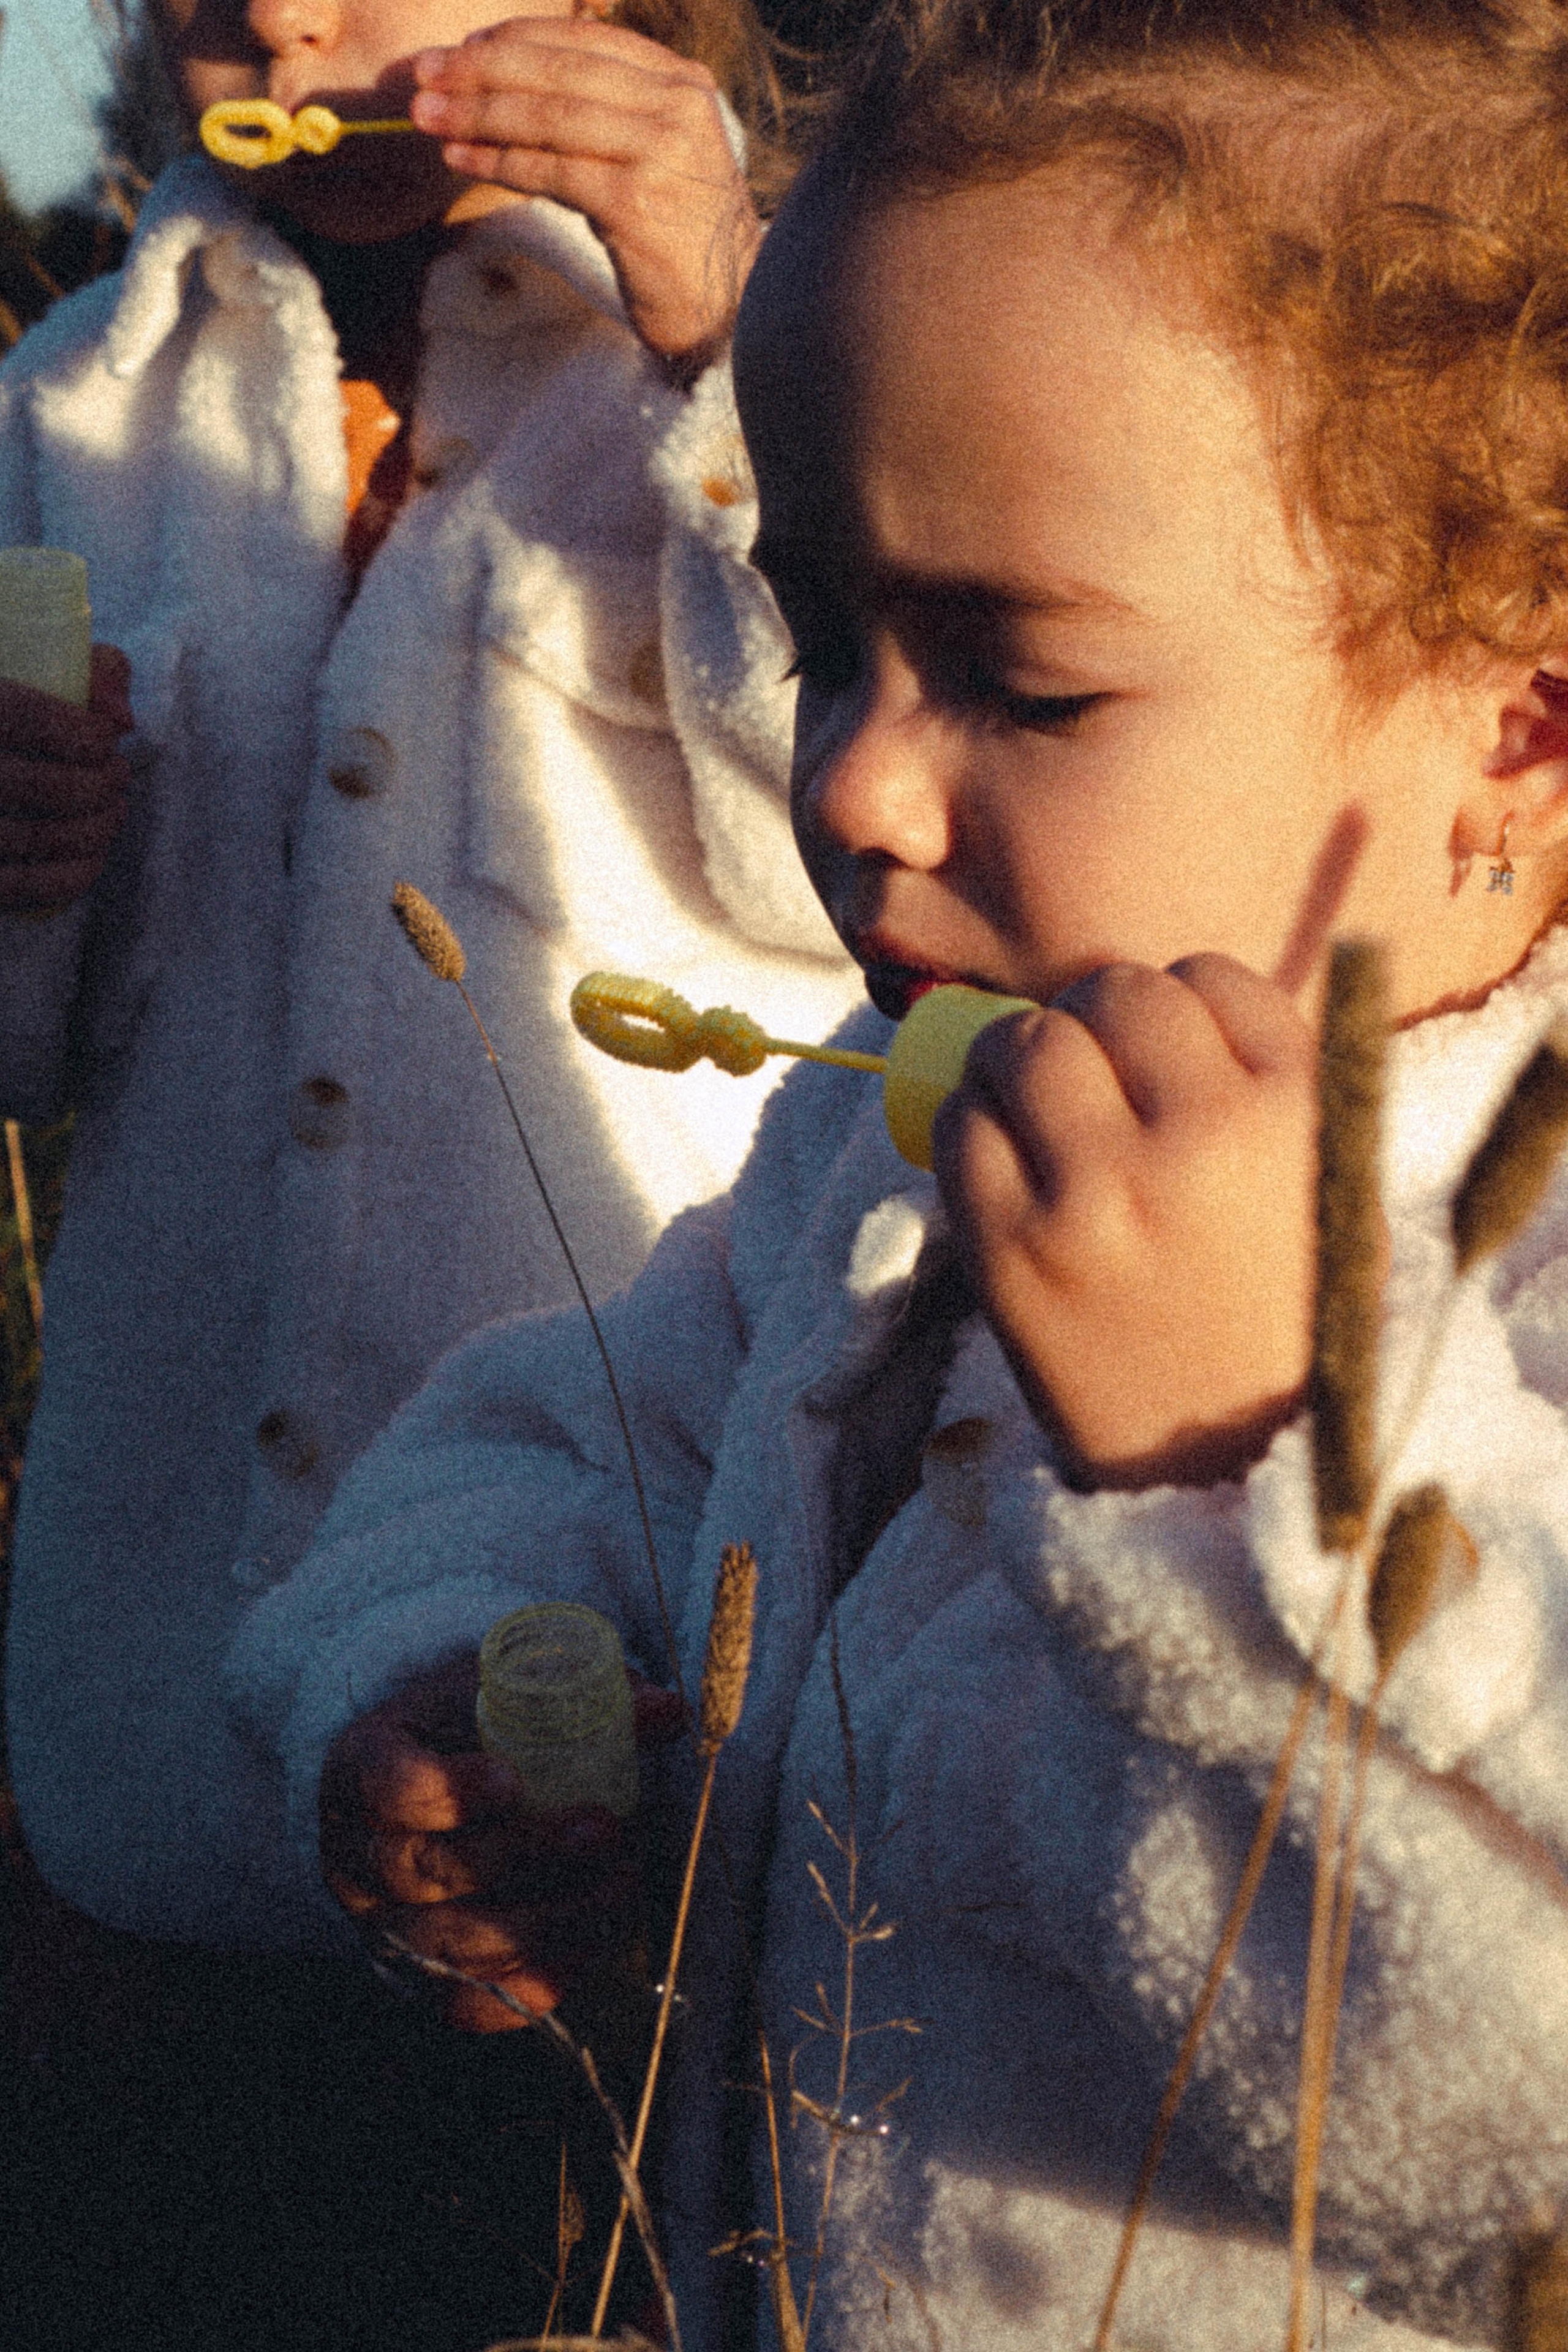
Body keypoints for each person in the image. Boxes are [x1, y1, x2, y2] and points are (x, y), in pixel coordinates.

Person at [232, 0, 1568, 2343]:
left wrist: (1244, 1460)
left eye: (1022, 678)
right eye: (828, 640)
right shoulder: (878, 1130)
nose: (847, 783)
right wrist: (457, 1680)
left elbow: (1508, 2131)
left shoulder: (1516, 1272)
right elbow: (582, 1429)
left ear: (1521, 730)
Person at [0, 0, 861, 1964]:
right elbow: (36, 1057)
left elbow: (852, 864)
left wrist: (737, 341)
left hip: (614, 1591)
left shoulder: (807, 333)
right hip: (161, 1689)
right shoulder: (70, 406)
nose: (287, 17)